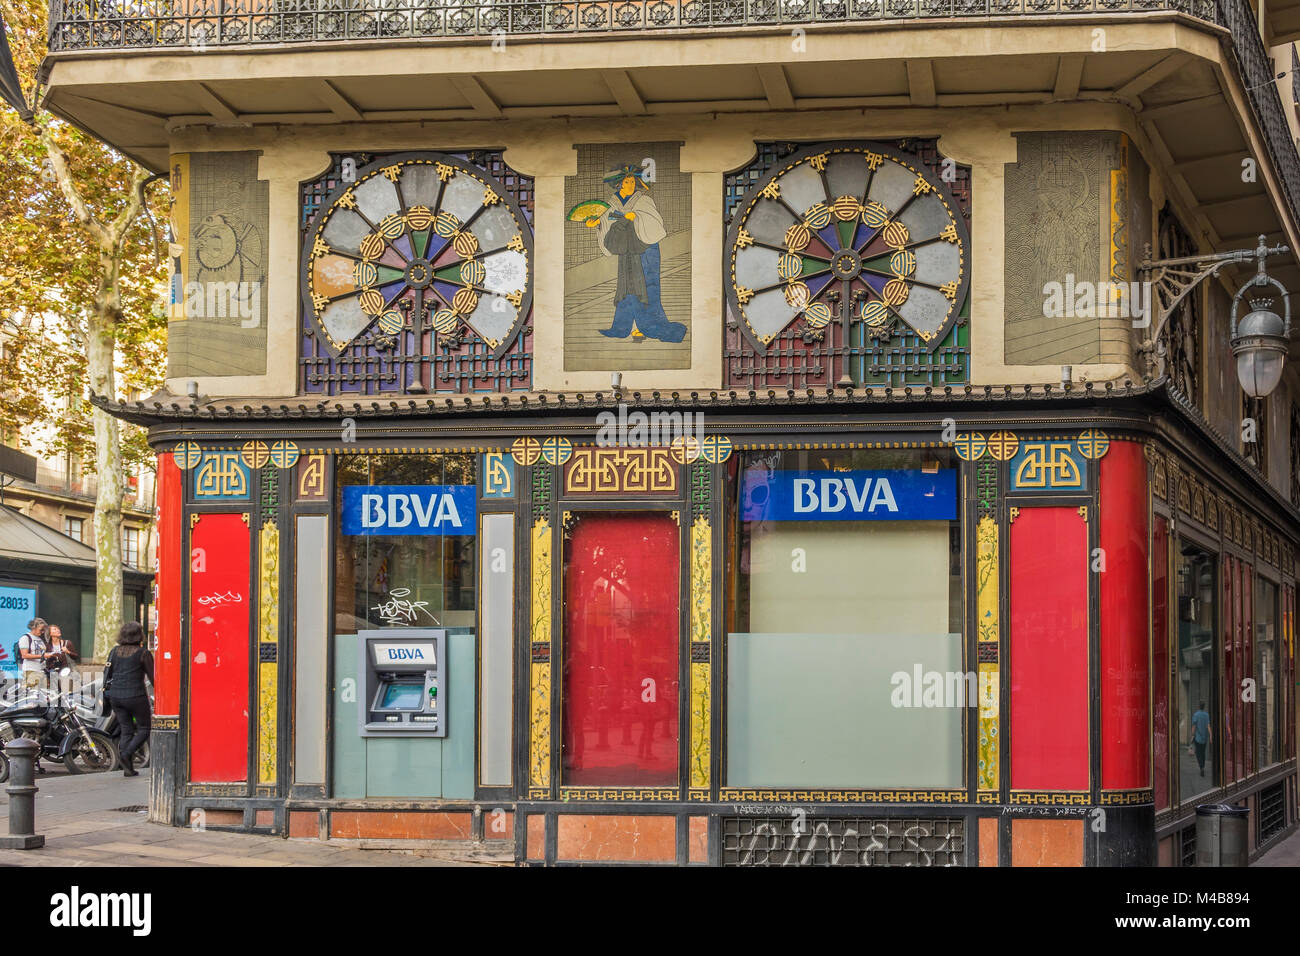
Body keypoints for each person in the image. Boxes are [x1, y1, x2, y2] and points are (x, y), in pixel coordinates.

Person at [584, 164, 687, 344]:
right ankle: (628, 328)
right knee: (628, 287)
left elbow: (654, 221)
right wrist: (596, 224)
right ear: (619, 184)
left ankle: (645, 328)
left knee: (647, 288)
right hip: (627, 252)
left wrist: (636, 217)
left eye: (632, 181)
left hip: (646, 250)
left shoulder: (643, 200)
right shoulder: (611, 203)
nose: (630, 184)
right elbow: (605, 222)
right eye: (627, 181)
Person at [103, 621, 154, 777]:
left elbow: (108, 674)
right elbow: (154, 677)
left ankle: (128, 768)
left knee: (126, 730)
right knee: (144, 728)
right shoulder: (143, 653)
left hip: (115, 697)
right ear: (139, 635)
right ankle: (127, 754)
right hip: (136, 696)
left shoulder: (114, 651)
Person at [17, 617, 51, 691]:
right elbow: (24, 655)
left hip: (42, 670)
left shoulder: (40, 639)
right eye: (41, 630)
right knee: (32, 695)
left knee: (43, 695)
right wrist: (43, 656)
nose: (42, 632)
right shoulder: (25, 638)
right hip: (31, 670)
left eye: (43, 630)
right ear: (34, 627)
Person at [45, 625, 79, 692]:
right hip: (52, 673)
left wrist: (68, 651)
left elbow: (76, 657)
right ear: (50, 633)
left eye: (58, 629)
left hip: (65, 672)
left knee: (66, 692)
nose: (58, 630)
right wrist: (45, 656)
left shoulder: (67, 643)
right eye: (54, 629)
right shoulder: (47, 646)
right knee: (54, 693)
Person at [1191, 700, 1212, 778]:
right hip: (1204, 738)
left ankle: (1201, 767)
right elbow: (1208, 725)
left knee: (1198, 752)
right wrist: (1211, 735)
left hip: (1198, 737)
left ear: (1198, 706)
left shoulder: (1196, 715)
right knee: (1203, 752)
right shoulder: (1206, 715)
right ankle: (1202, 766)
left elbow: (1194, 726)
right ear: (1204, 707)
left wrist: (1192, 735)